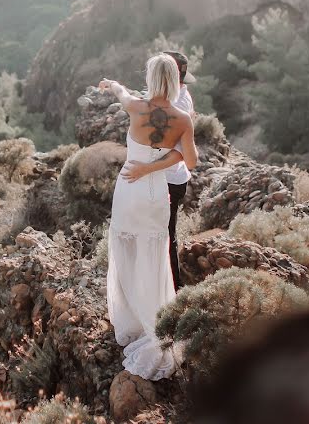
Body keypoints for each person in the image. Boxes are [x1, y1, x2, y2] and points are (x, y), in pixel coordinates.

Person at [99, 54, 198, 380]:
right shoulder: (183, 118)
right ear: (176, 80)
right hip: (156, 192)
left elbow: (121, 92)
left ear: (152, 77)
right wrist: (152, 167)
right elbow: (190, 160)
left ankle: (132, 320)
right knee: (155, 256)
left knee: (127, 251)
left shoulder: (136, 107)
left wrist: (110, 83)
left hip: (128, 189)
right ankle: (158, 320)